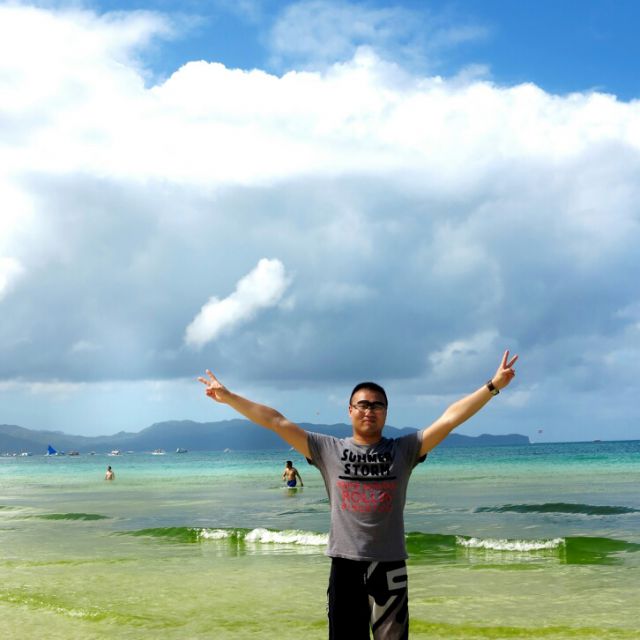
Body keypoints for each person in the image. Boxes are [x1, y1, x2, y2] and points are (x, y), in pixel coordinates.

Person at [199, 350, 518, 639]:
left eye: (377, 405)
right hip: (345, 566)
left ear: (386, 412)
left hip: (390, 565)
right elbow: (275, 421)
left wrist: (492, 386)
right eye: (363, 405)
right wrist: (229, 398)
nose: (370, 410)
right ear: (350, 410)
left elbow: (449, 419)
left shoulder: (404, 450)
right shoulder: (327, 450)